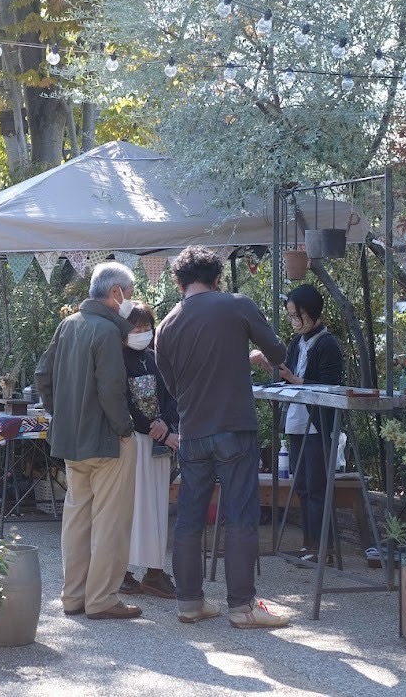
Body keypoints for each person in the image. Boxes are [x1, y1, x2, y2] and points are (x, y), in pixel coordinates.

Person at [154, 245, 291, 628]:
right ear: (218, 278)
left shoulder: (165, 326)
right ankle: (242, 607)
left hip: (192, 431)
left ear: (178, 281)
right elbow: (277, 350)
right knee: (240, 515)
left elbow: (172, 385)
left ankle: (190, 602)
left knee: (189, 518)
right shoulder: (236, 305)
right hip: (233, 426)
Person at [35, 261, 140, 620]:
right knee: (110, 522)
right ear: (116, 294)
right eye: (131, 292)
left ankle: (73, 597)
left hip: (71, 441)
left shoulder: (69, 325)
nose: (131, 299)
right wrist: (125, 428)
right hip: (107, 442)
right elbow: (111, 389)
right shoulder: (107, 332)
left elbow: (42, 375)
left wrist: (59, 413)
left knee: (76, 520)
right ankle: (102, 599)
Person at [252, 284, 344, 562]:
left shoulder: (328, 344)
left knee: (317, 486)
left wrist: (295, 380)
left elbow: (330, 386)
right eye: (291, 316)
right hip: (296, 421)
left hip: (317, 424)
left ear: (312, 313)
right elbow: (287, 376)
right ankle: (309, 545)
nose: (293, 322)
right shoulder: (296, 343)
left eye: (296, 316)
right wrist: (273, 367)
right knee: (302, 486)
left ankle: (323, 548)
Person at [120, 301, 180, 599]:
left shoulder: (156, 358)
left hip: (159, 443)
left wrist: (166, 425)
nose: (142, 333)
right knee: (133, 506)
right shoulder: (117, 359)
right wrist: (152, 427)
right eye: (136, 328)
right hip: (133, 443)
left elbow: (172, 394)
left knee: (157, 507)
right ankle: (123, 570)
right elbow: (123, 402)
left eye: (147, 328)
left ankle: (155, 570)